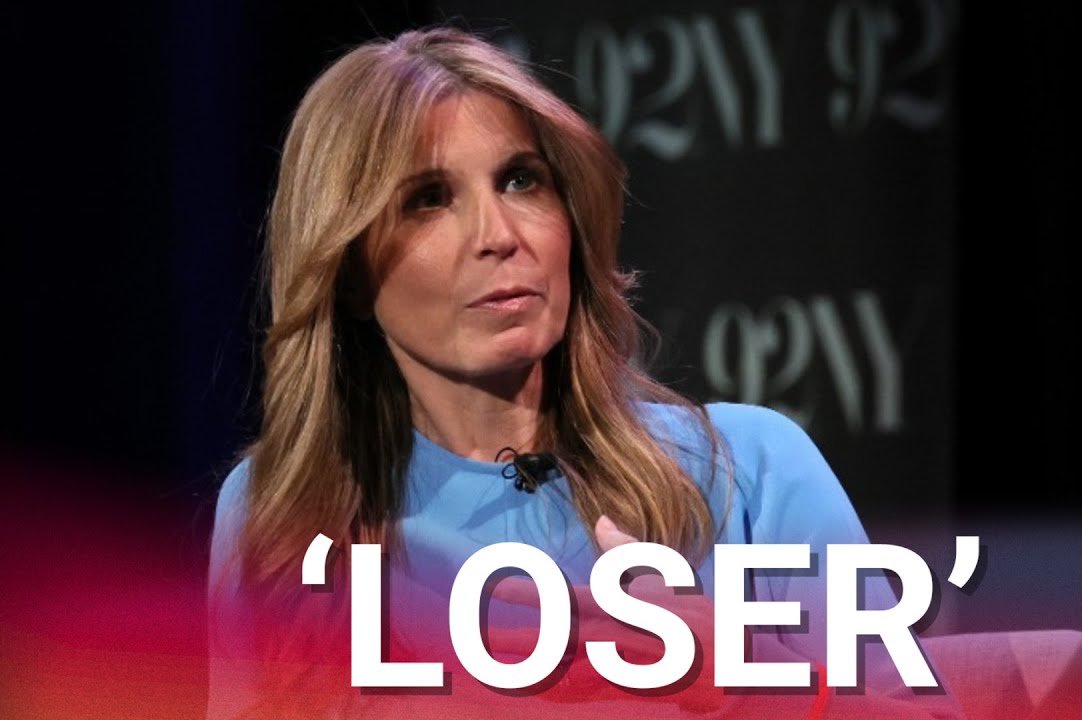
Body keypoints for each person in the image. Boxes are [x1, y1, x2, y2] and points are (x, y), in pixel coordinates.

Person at [207, 25, 964, 720]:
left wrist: (742, 681)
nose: (498, 235)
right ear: (347, 272)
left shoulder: (750, 471)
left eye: (521, 181)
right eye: (429, 200)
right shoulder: (283, 517)